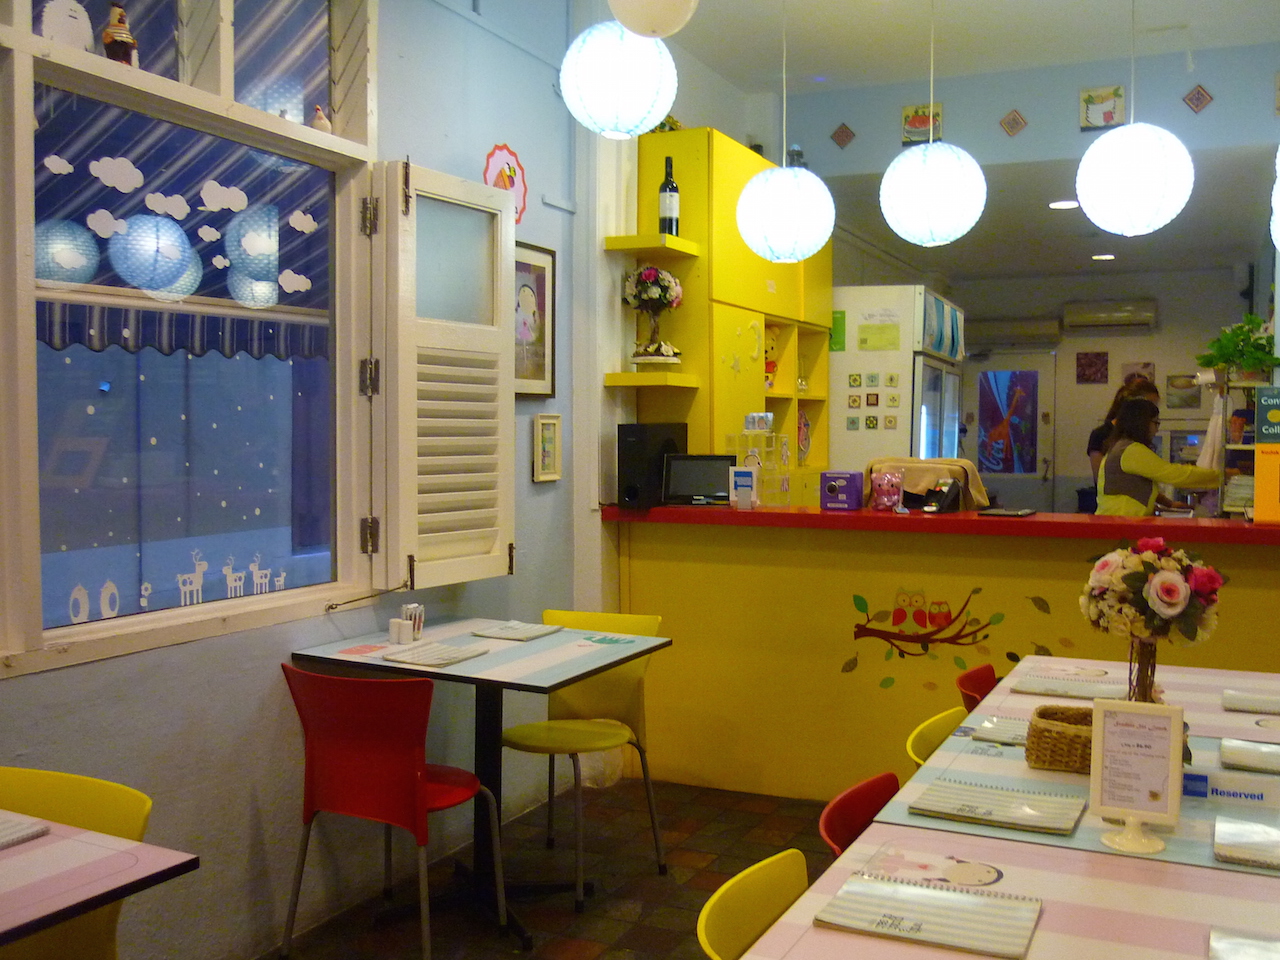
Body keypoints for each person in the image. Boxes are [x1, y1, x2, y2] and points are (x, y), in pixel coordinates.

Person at [1095, 398, 1221, 516]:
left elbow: (1132, 487)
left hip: (1116, 519)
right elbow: (1174, 474)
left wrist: (1168, 503)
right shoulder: (1131, 450)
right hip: (1122, 522)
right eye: (1156, 423)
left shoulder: (1120, 446)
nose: (1156, 430)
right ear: (1141, 423)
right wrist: (1220, 476)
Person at [1087, 376, 1160, 484]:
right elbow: (1101, 479)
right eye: (1150, 406)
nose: (1152, 412)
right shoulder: (1101, 434)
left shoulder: (1139, 434)